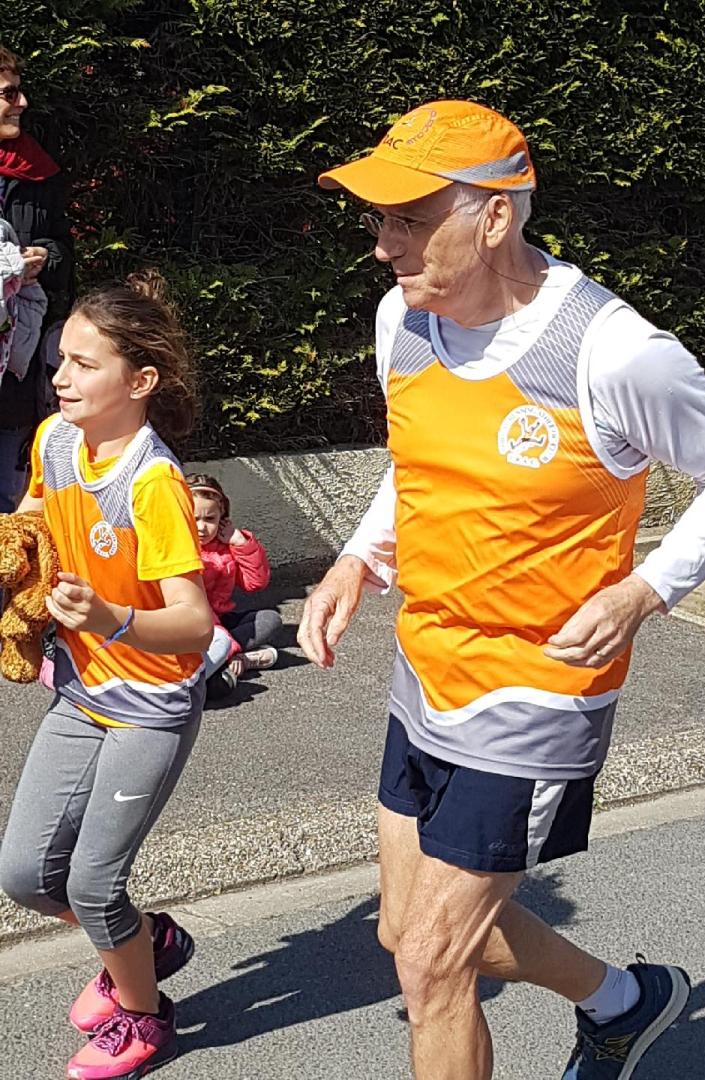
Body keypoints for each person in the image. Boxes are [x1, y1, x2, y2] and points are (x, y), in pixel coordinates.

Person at [298, 100, 705, 1080]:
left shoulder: (612, 350)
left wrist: (646, 590)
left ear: (494, 217)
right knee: (406, 932)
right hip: (425, 666)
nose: (384, 245)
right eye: (378, 220)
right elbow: (415, 464)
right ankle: (624, 1001)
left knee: (432, 964)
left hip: (536, 689)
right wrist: (358, 557)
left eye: (408, 219)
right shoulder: (404, 318)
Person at [0, 271, 213, 1080]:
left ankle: (145, 1014)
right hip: (81, 692)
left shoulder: (151, 483)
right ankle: (143, 943)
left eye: (84, 365)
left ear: (140, 381)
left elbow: (195, 625)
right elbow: (35, 516)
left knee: (93, 883)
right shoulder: (55, 439)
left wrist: (109, 619)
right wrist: (15, 548)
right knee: (24, 876)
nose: (60, 377)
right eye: (61, 359)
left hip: (151, 706)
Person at [0, 44, 74, 514]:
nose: (22, 103)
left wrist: (46, 256)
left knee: (10, 499)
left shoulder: (37, 170)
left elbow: (64, 245)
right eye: (9, 93)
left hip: (14, 372)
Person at [187, 472, 281, 697]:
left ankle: (230, 656)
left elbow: (255, 583)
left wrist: (240, 542)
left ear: (222, 518)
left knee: (269, 619)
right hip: (191, 622)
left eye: (210, 519)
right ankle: (235, 661)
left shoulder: (226, 547)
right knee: (217, 687)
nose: (202, 527)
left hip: (222, 622)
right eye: (194, 518)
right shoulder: (176, 547)